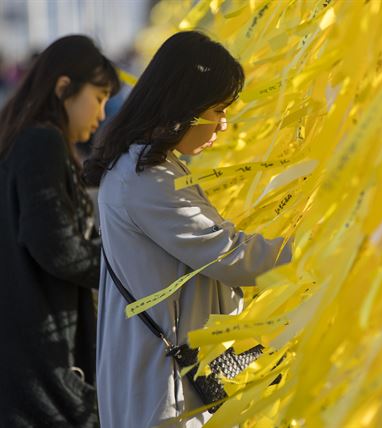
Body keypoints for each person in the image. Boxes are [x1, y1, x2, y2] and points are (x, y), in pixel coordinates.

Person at [84, 31, 292, 428]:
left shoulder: (149, 167)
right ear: (184, 104)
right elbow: (229, 255)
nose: (224, 125)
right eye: (217, 109)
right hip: (162, 396)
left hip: (166, 384)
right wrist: (316, 250)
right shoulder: (144, 180)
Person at [0, 35, 120, 427]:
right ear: (63, 87)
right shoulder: (42, 142)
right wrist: (124, 265)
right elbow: (56, 246)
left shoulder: (24, 137)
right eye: (99, 98)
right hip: (40, 360)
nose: (102, 114)